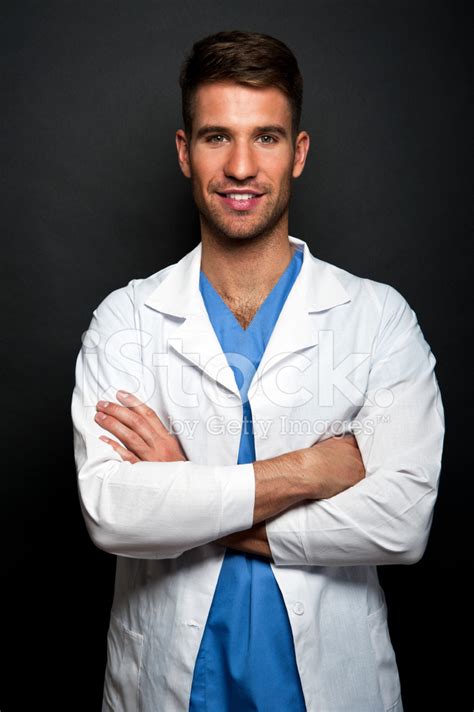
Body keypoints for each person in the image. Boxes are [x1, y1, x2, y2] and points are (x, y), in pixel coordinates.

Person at [70, 30, 445, 712]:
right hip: (165, 690)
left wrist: (184, 495)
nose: (241, 166)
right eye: (217, 137)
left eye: (266, 137)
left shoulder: (377, 318)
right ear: (185, 153)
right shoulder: (127, 321)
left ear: (298, 153)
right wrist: (308, 473)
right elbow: (113, 513)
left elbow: (402, 523)